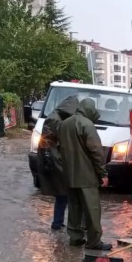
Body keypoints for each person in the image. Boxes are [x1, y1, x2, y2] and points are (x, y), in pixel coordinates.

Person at [58, 99, 112, 250]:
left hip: (69, 174)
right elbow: (96, 151)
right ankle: (94, 241)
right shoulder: (87, 125)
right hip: (86, 175)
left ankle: (75, 237)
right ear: (89, 110)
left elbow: (58, 148)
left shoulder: (65, 124)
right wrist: (103, 173)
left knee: (74, 207)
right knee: (92, 208)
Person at [37, 95, 79, 230]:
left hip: (57, 160)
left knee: (63, 194)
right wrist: (49, 158)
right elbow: (47, 141)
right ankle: (58, 223)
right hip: (56, 161)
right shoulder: (54, 119)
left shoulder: (56, 117)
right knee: (64, 193)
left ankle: (58, 222)